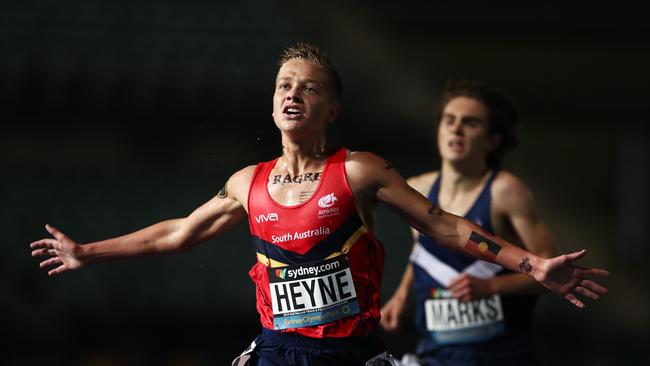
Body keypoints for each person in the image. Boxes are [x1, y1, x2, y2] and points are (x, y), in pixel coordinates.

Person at [30, 44, 608, 366]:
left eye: (309, 87)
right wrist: (88, 252)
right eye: (284, 84)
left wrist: (532, 265)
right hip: (278, 351)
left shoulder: (359, 171)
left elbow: (443, 225)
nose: (293, 94)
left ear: (332, 109)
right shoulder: (245, 183)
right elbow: (176, 233)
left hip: (350, 357)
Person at [379, 80, 564, 365]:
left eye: (470, 123)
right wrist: (402, 295)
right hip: (435, 354)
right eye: (449, 120)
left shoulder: (505, 191)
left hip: (499, 356)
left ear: (493, 140)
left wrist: (491, 287)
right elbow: (423, 252)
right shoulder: (417, 188)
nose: (456, 129)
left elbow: (550, 273)